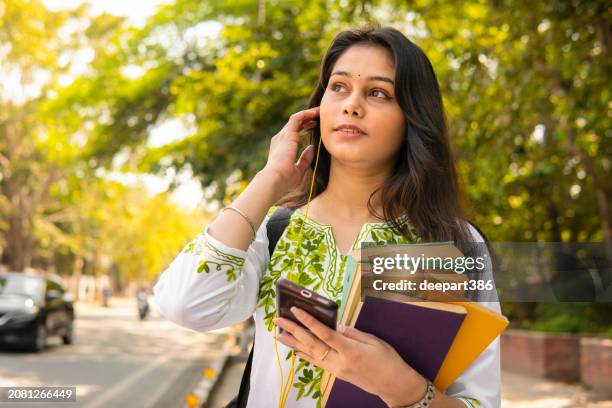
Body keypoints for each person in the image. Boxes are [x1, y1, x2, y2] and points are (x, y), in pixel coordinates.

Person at [153, 26, 500, 408]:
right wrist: (269, 181)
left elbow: (478, 401)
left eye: (378, 93)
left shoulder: (446, 243)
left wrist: (401, 386)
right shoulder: (276, 231)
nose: (352, 104)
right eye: (339, 87)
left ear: (412, 119)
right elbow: (185, 305)